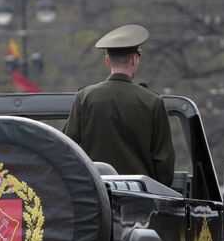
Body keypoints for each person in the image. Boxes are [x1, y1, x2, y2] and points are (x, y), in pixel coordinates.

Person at [63, 24, 176, 186]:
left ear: (107, 61)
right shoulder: (153, 102)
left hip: (97, 192)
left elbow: (67, 148)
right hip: (140, 195)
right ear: (134, 59)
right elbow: (164, 164)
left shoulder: (84, 98)